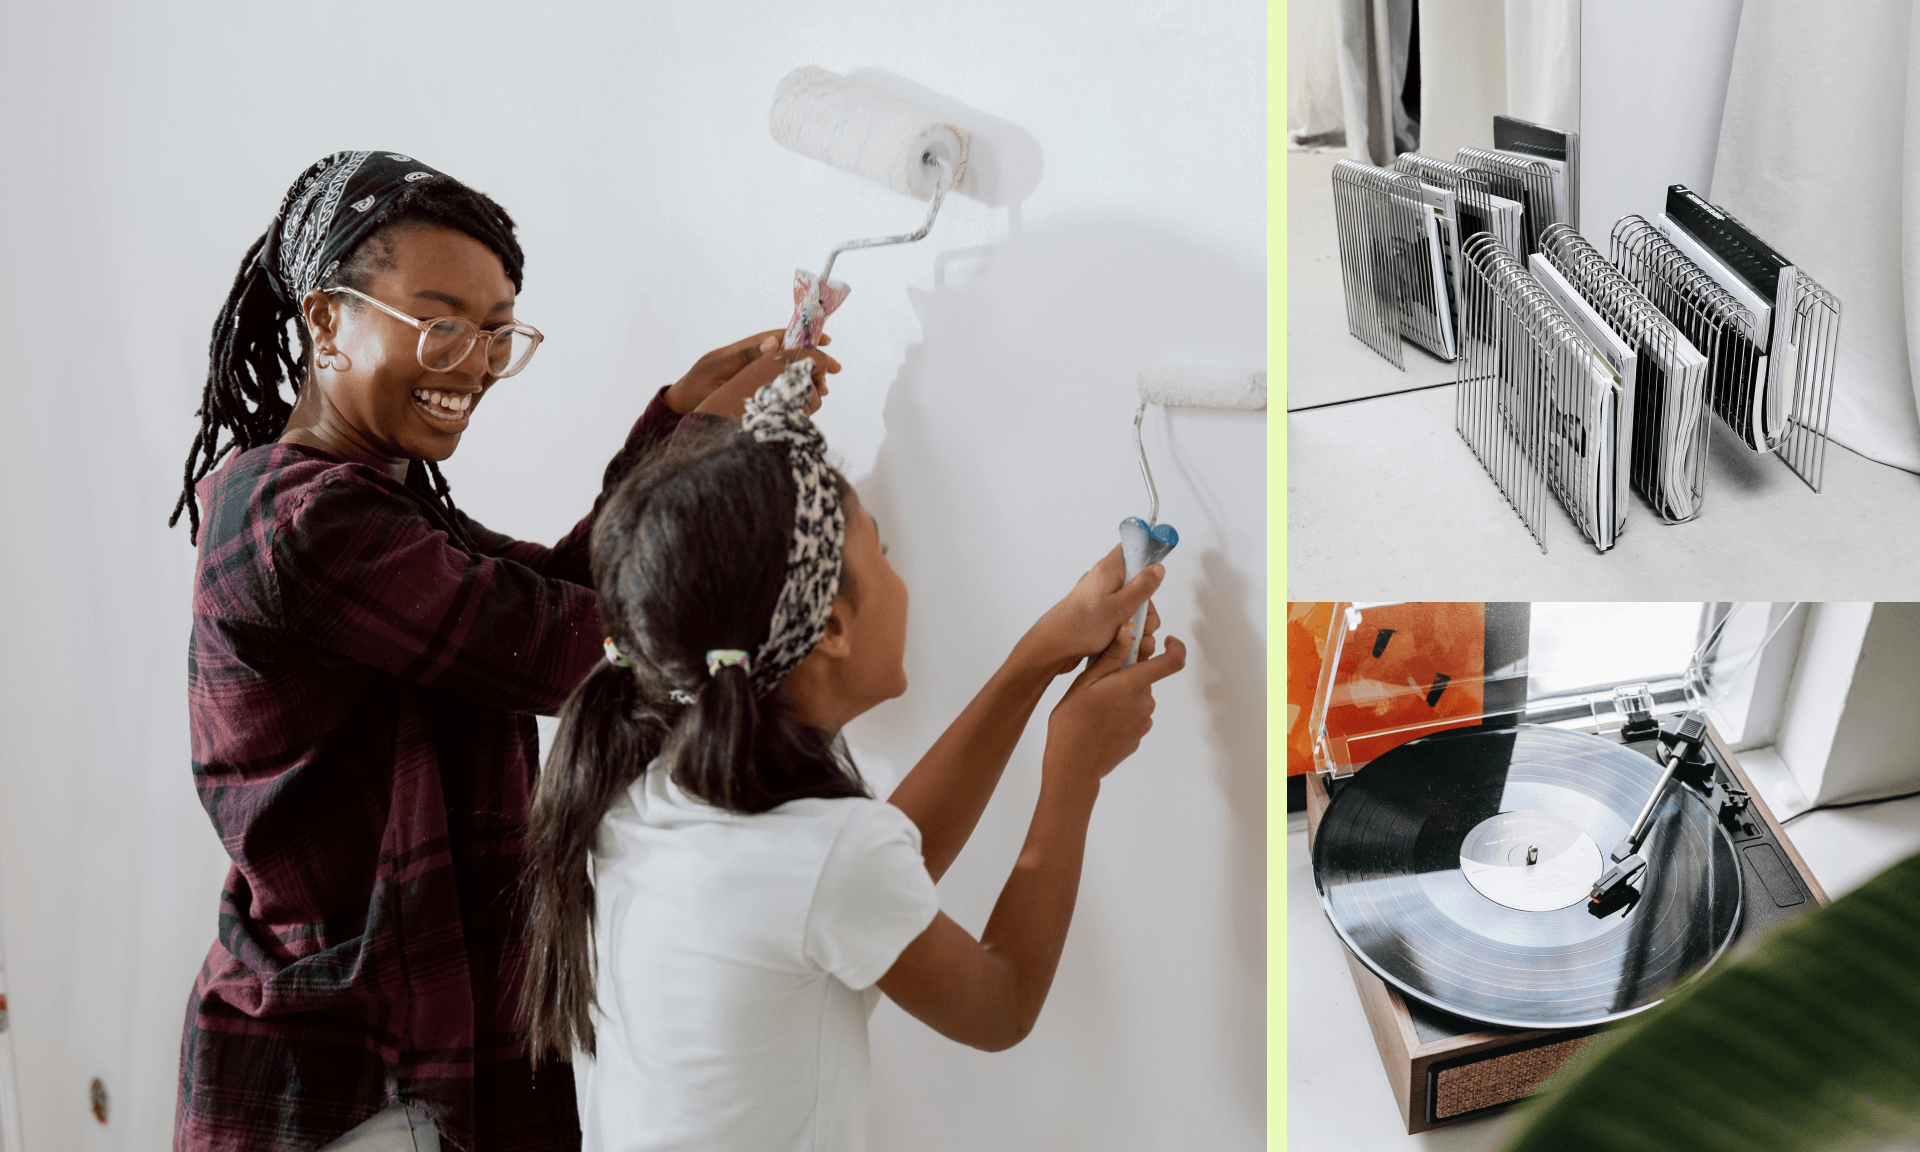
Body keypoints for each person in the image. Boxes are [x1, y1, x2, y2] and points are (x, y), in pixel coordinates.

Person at [171, 150, 833, 1152]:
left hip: (429, 1046)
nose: (475, 362)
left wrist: (679, 426)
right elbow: (571, 646)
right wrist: (700, 447)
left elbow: (560, 591)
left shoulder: (370, 506)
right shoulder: (301, 525)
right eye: (441, 323)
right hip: (340, 1077)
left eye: (495, 331)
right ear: (324, 321)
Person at [519, 362, 1188, 1151]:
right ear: (832, 628)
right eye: (885, 555)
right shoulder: (819, 853)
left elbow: (856, 876)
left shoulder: (654, 777)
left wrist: (1032, 663)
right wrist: (1072, 772)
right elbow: (1000, 1004)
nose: (903, 581)